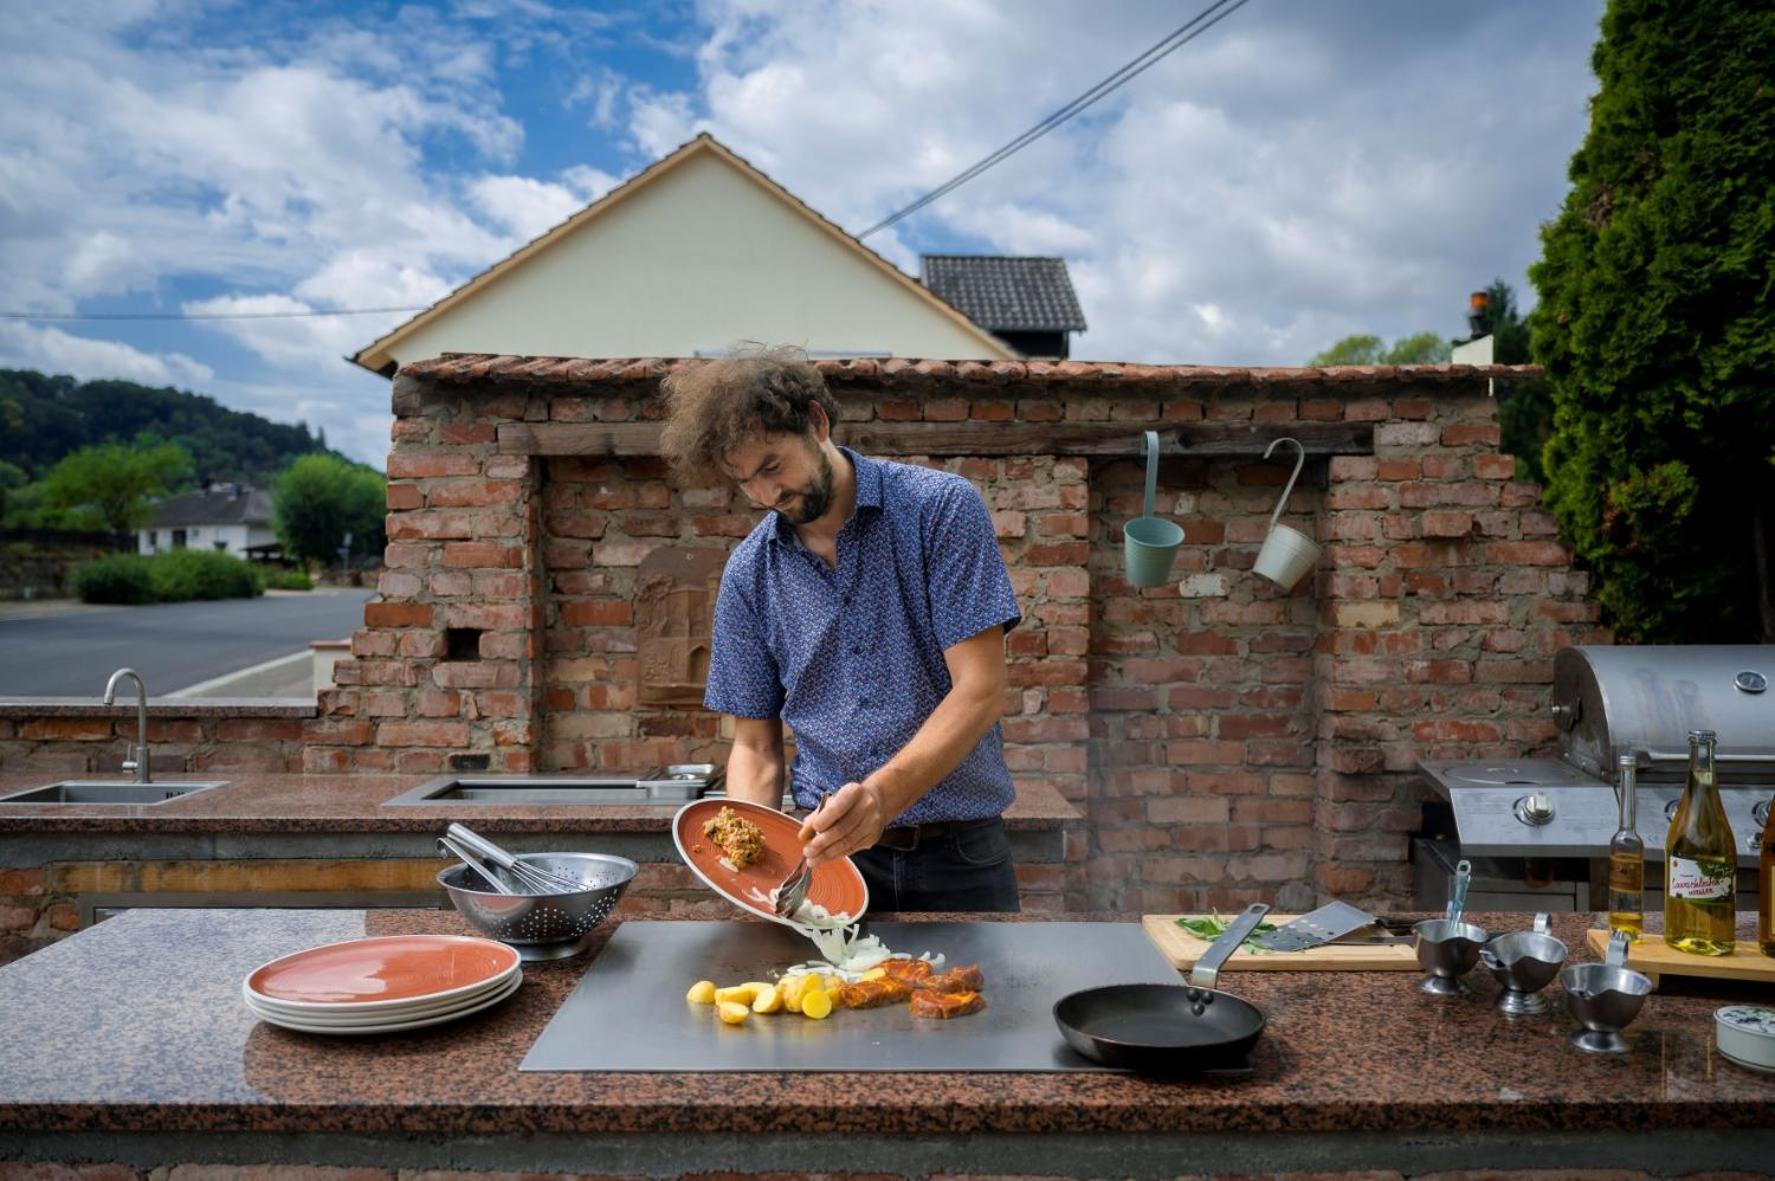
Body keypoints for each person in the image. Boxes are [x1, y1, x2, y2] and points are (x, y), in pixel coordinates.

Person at [659, 347, 1023, 913]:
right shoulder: (749, 573)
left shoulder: (940, 510)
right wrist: (751, 870)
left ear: (817, 422)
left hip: (963, 852)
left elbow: (981, 688)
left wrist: (880, 798)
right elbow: (755, 747)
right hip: (827, 863)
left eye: (773, 466)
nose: (766, 495)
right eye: (744, 481)